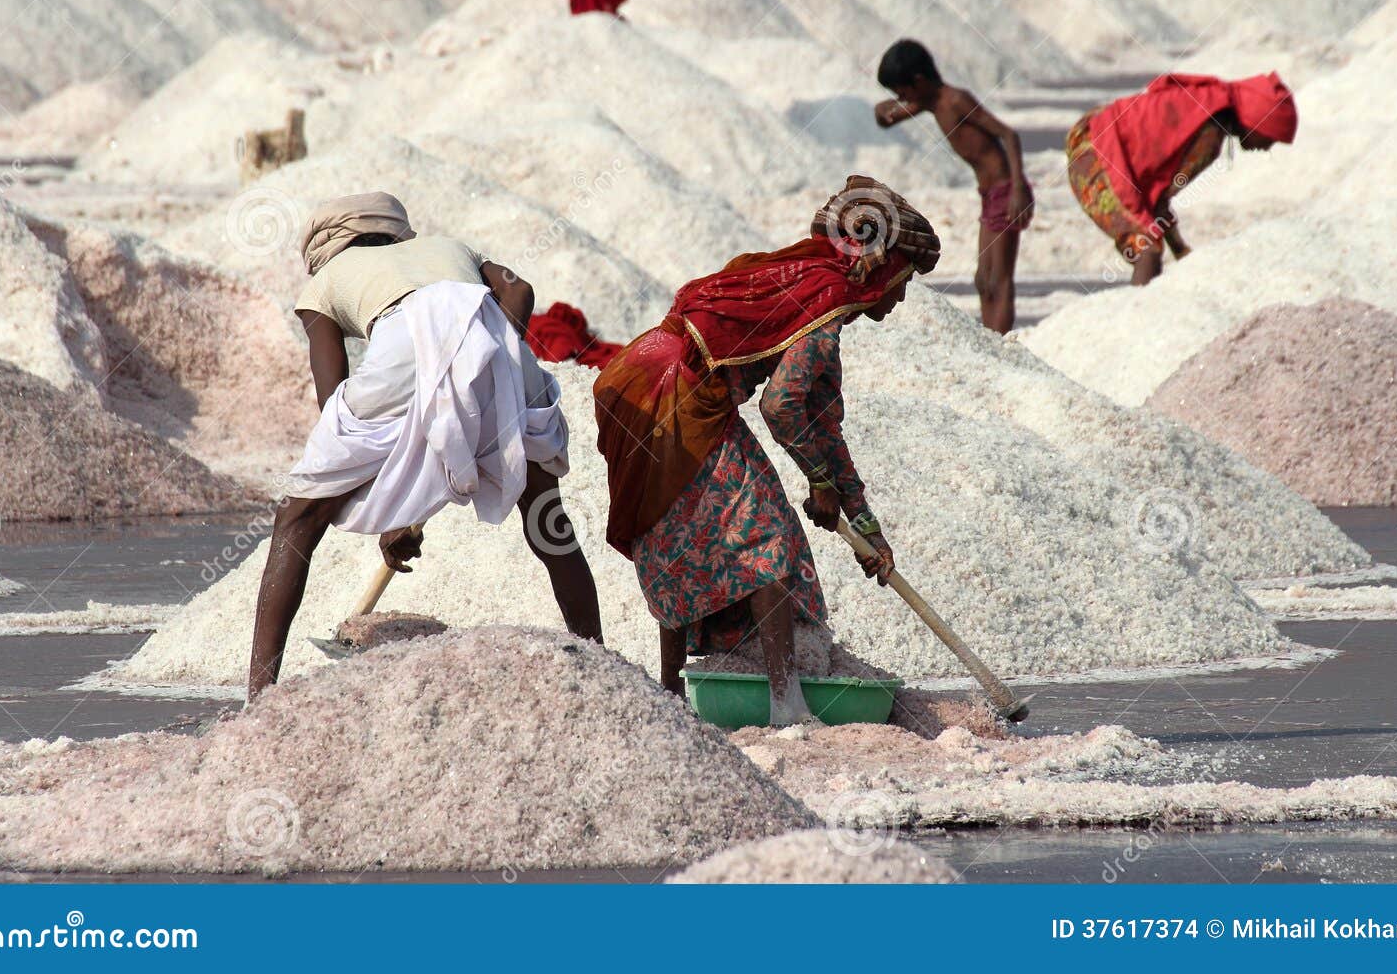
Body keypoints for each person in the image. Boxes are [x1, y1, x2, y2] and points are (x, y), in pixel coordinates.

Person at [593, 176, 941, 726]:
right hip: (679, 400)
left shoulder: (803, 278)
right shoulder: (824, 306)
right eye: (904, 282)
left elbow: (822, 422)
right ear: (883, 267)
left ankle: (672, 701)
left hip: (637, 379)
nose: (900, 298)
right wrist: (821, 486)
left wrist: (865, 524)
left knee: (677, 532)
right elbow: (782, 406)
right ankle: (786, 703)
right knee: (767, 537)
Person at [247, 193, 603, 699]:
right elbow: (518, 289)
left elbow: (338, 410)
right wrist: (498, 362)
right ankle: (601, 667)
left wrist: (389, 493)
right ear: (396, 233)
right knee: (546, 515)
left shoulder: (322, 284)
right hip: (497, 343)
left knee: (297, 519)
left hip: (401, 340)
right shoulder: (449, 245)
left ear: (328, 249)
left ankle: (259, 698)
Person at [1066, 72, 1298, 285]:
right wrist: (1180, 251)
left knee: (1148, 240)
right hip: (1096, 153)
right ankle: (1139, 320)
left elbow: (1157, 197)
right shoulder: (1209, 137)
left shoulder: (1209, 105)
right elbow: (1160, 202)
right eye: (1272, 137)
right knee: (1148, 248)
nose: (1268, 147)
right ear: (1259, 121)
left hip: (1095, 136)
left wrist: (1180, 250)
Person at [873, 39, 1032, 334]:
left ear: (919, 81)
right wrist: (882, 110)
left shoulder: (955, 101)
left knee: (999, 277)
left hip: (1007, 191)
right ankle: (992, 337)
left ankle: (1001, 340)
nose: (901, 98)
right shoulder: (927, 103)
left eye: (903, 92)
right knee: (983, 279)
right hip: (989, 194)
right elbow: (887, 120)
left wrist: (1019, 188)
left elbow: (1009, 135)